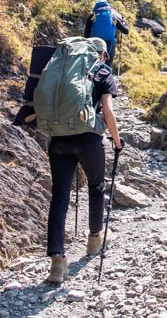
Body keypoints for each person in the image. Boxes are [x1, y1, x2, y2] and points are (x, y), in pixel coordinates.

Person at [46, 37, 123, 284]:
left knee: (59, 196)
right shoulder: (102, 71)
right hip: (88, 139)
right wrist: (117, 140)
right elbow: (107, 111)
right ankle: (94, 240)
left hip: (58, 139)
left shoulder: (64, 68)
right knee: (96, 186)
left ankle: (57, 262)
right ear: (102, 54)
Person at [83, 0, 129, 67]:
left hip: (95, 43)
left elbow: (86, 32)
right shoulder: (113, 17)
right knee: (107, 64)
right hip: (109, 43)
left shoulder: (93, 16)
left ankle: (92, 75)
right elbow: (125, 31)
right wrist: (124, 23)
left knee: (93, 63)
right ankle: (107, 74)